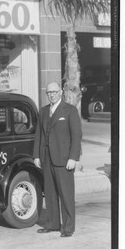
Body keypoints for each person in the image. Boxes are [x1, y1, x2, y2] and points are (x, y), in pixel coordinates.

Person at [33, 82, 82, 238]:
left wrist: (73, 158)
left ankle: (68, 227)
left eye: (54, 92)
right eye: (49, 93)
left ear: (60, 92)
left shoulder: (70, 110)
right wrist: (36, 156)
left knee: (66, 195)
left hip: (64, 160)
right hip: (47, 159)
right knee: (50, 193)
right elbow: (39, 136)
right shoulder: (43, 111)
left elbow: (76, 136)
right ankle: (52, 224)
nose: (51, 95)